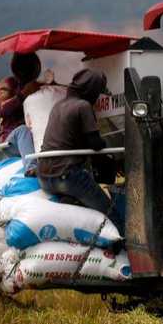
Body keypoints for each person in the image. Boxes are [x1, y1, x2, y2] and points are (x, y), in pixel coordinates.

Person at [37, 69, 122, 229]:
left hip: (44, 177)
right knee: (111, 215)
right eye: (97, 92)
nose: (97, 97)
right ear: (91, 90)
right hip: (67, 176)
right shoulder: (83, 106)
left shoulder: (58, 106)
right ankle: (122, 247)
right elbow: (95, 144)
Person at [0, 53, 42, 174]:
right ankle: (31, 168)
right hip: (11, 139)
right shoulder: (8, 84)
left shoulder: (33, 85)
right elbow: (1, 110)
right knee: (22, 130)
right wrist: (22, 94)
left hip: (29, 139)